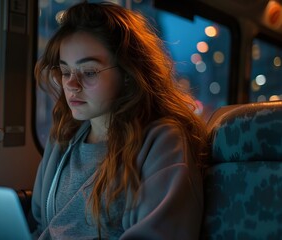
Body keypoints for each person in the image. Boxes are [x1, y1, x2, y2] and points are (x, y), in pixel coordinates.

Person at [31, 1, 207, 239]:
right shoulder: (63, 140)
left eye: (89, 72)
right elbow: (43, 225)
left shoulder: (162, 142)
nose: (71, 85)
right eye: (65, 72)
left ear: (127, 73)